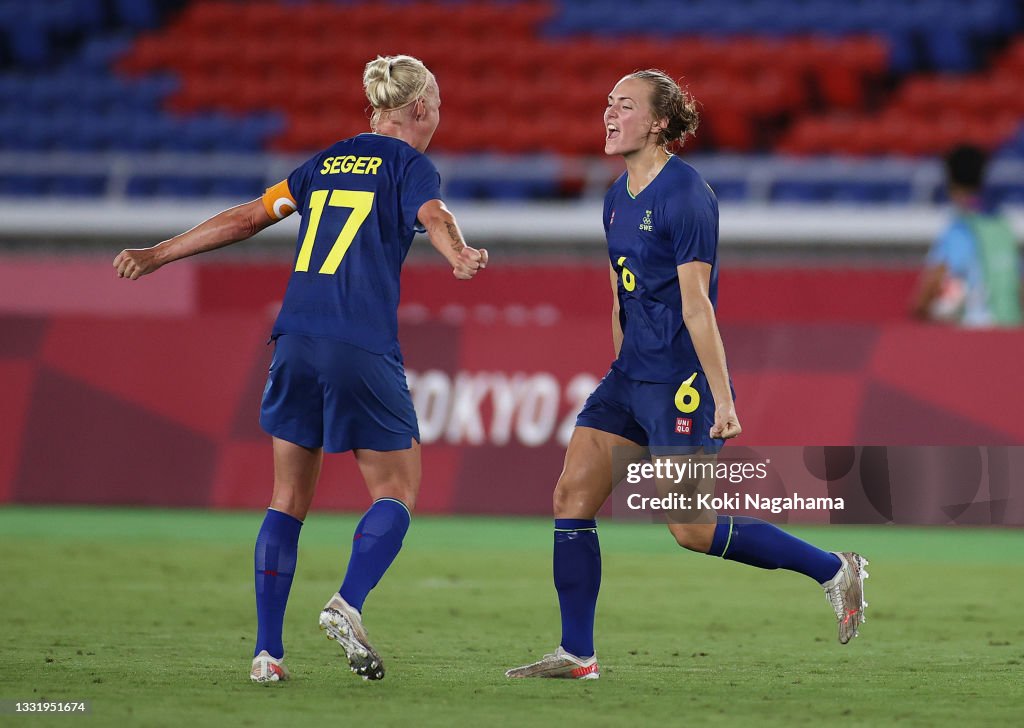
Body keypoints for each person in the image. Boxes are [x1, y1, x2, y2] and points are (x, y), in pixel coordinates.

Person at [113, 54, 488, 683]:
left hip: (293, 338)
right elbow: (433, 214)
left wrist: (158, 253)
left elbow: (247, 218)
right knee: (396, 492)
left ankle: (266, 654)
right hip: (359, 342)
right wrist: (458, 254)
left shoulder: (324, 162)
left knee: (287, 498)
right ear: (419, 108)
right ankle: (347, 601)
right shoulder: (411, 165)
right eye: (440, 103)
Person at [505, 70, 867, 680]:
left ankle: (834, 568)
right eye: (607, 103)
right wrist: (620, 366)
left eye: (625, 105)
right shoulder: (615, 195)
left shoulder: (687, 195)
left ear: (660, 123)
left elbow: (697, 305)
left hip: (681, 382)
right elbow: (621, 294)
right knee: (571, 495)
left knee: (692, 530)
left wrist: (722, 399)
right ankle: (577, 654)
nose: (609, 114)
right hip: (629, 377)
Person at [911, 144, 1021, 327]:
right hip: (1010, 332)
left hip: (974, 334)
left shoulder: (958, 229)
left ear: (950, 181)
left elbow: (927, 295)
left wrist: (930, 311)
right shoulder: (1003, 228)